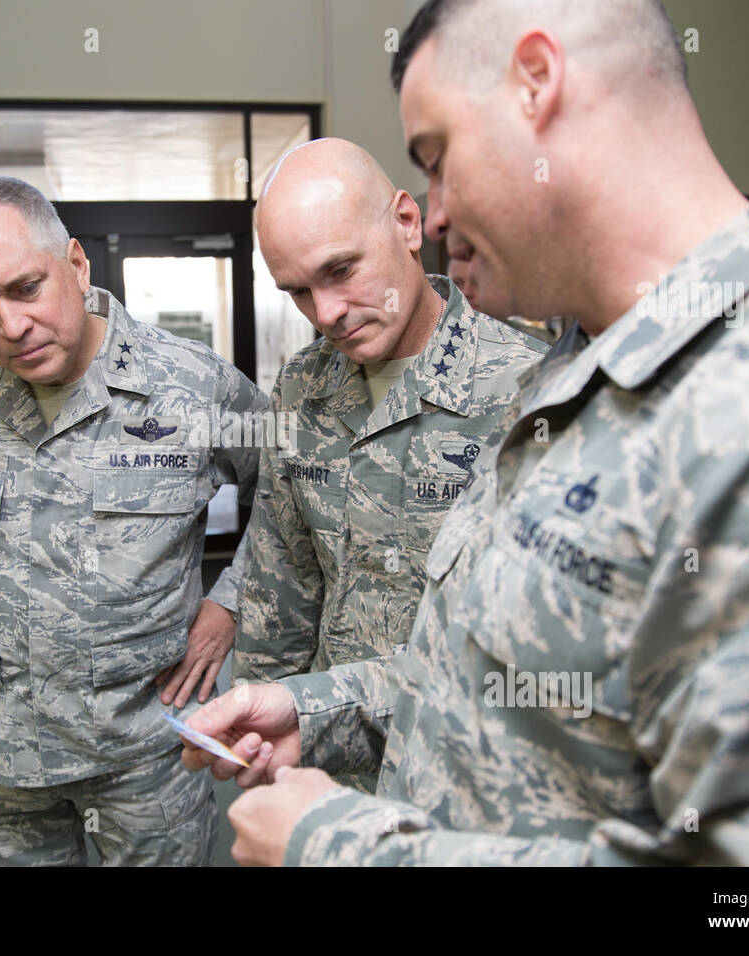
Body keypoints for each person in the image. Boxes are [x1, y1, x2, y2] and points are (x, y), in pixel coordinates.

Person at [181, 0, 749, 866]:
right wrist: (319, 709)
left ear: (539, 85)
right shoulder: (576, 370)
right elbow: (492, 680)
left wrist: (343, 849)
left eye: (438, 160)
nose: (436, 216)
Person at [0, 176, 267, 866]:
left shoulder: (192, 383)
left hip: (151, 747)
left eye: (25, 288)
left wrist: (229, 604)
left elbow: (285, 495)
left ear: (76, 265)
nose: (10, 325)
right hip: (3, 755)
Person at [233, 137, 547, 790]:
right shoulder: (302, 387)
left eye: (340, 270)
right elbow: (279, 588)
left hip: (465, 773)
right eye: (297, 292)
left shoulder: (529, 385)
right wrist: (258, 745)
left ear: (407, 222)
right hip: (321, 762)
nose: (327, 314)